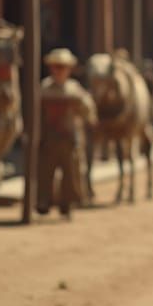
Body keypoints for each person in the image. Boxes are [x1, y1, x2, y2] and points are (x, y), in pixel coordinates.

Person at [37, 48, 97, 218]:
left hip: (69, 139)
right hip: (49, 138)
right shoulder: (44, 88)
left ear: (69, 69)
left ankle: (67, 203)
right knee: (45, 172)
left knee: (71, 173)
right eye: (55, 66)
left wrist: (84, 112)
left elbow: (89, 111)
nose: (58, 70)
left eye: (62, 67)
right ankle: (43, 201)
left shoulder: (74, 89)